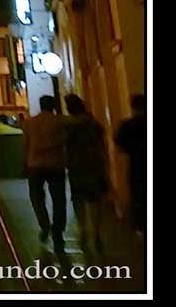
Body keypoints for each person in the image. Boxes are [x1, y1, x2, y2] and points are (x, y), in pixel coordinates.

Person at [64, 94, 110, 255]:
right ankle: (96, 232)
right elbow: (102, 146)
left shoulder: (68, 127)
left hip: (76, 168)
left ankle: (83, 229)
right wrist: (106, 166)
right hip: (94, 166)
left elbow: (65, 149)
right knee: (96, 202)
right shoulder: (93, 124)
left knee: (79, 201)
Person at [23, 94, 67, 252]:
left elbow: (26, 145)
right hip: (56, 164)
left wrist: (24, 163)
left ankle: (44, 224)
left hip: (35, 165)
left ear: (40, 106)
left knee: (36, 197)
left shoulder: (29, 123)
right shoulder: (60, 121)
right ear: (54, 106)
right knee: (59, 199)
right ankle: (58, 231)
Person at [115, 93, 146, 236]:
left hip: (136, 164)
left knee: (138, 194)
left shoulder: (127, 125)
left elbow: (119, 142)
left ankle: (140, 225)